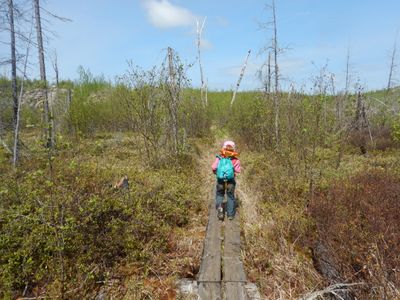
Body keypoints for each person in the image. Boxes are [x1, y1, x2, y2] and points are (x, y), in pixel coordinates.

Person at [211, 140, 241, 220]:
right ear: (233, 149)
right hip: (231, 181)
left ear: (223, 148)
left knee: (220, 194)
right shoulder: (235, 159)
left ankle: (220, 211)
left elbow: (213, 167)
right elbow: (238, 170)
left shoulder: (219, 157)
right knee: (230, 196)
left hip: (220, 180)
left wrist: (216, 172)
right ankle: (230, 215)